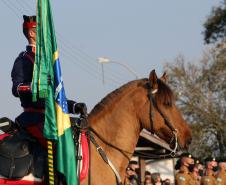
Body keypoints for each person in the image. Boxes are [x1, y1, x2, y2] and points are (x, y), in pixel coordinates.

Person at [11, 15, 86, 178]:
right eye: (40, 31)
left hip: (51, 116)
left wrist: (73, 106)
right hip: (33, 117)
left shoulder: (47, 62)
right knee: (60, 144)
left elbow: (55, 96)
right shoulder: (24, 59)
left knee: (75, 140)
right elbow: (16, 88)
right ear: (31, 33)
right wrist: (36, 87)